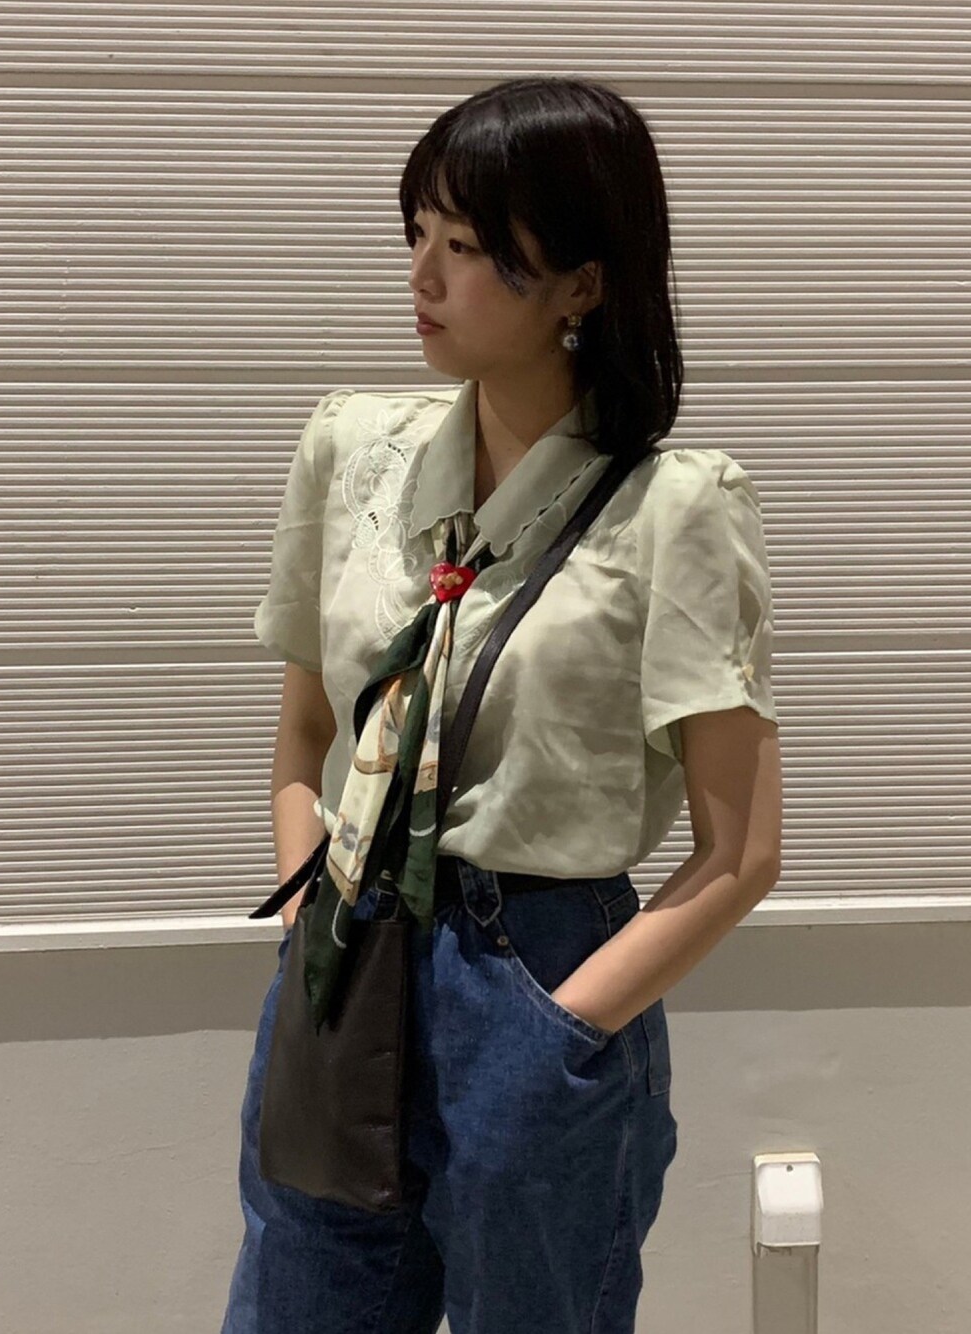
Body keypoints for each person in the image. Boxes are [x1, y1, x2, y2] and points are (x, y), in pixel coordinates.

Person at [220, 75, 782, 1334]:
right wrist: (312, 915)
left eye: (467, 246)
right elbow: (306, 732)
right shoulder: (351, 451)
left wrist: (559, 1028)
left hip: (540, 964)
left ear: (581, 283)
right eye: (415, 231)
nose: (422, 274)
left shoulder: (676, 509)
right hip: (345, 953)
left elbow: (742, 851)